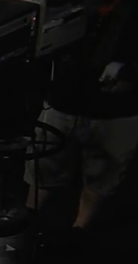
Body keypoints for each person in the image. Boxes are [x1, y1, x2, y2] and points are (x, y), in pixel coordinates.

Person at [25, 0, 138, 235]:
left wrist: (131, 74)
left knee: (100, 178)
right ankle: (27, 221)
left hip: (116, 112)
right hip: (63, 102)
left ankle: (79, 230)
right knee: (43, 171)